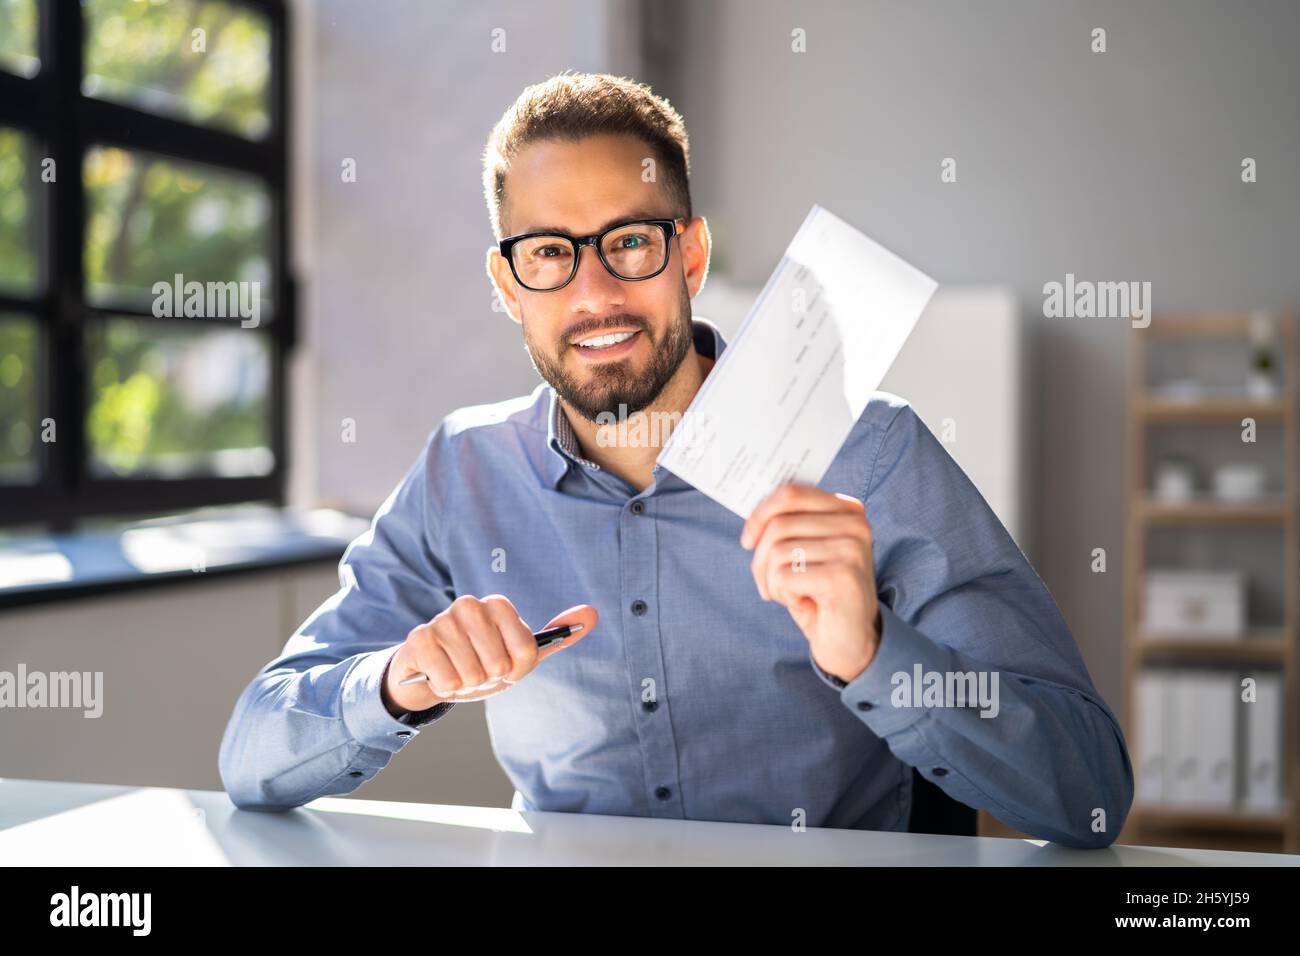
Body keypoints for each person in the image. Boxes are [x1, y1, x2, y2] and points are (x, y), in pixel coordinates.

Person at [219, 72, 1133, 849]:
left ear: (689, 254)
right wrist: (396, 682)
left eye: (630, 242)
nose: (595, 292)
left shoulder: (868, 452)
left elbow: (1088, 793)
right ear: (507, 286)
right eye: (548, 254)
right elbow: (252, 754)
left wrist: (875, 654)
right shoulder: (463, 472)